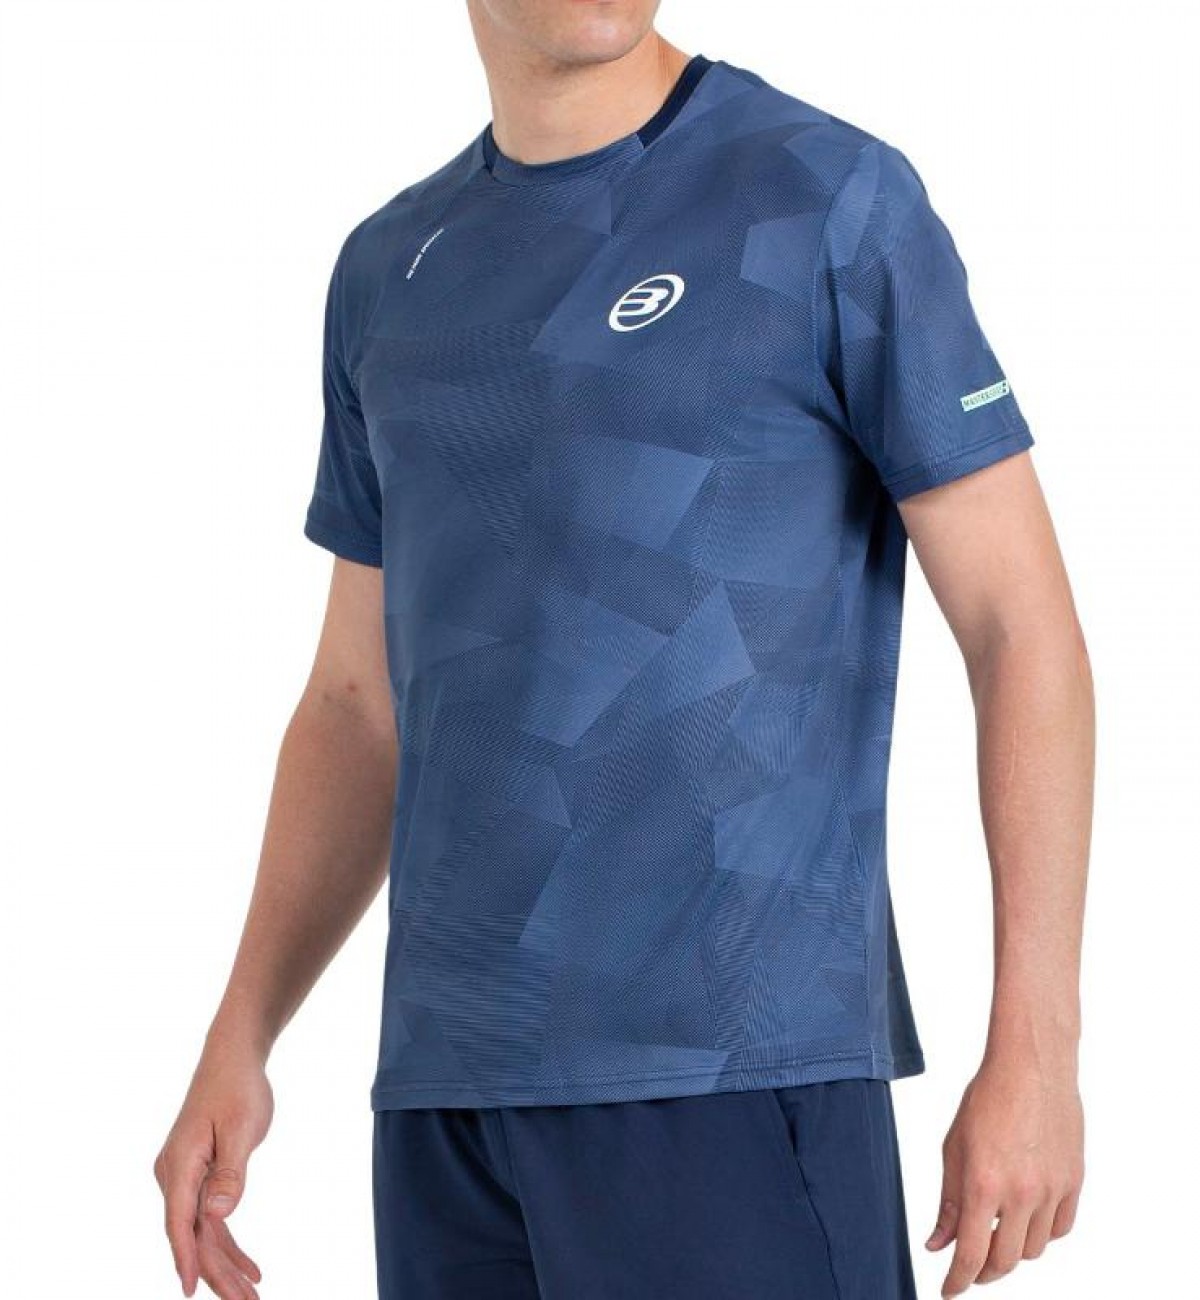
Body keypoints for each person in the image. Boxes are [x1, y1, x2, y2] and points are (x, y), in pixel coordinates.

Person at [153, 5, 1093, 1298]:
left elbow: (1018, 626)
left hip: (732, 1073)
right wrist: (242, 1033)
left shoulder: (822, 197)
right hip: (448, 1099)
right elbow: (357, 704)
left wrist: (1037, 1050)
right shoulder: (390, 270)